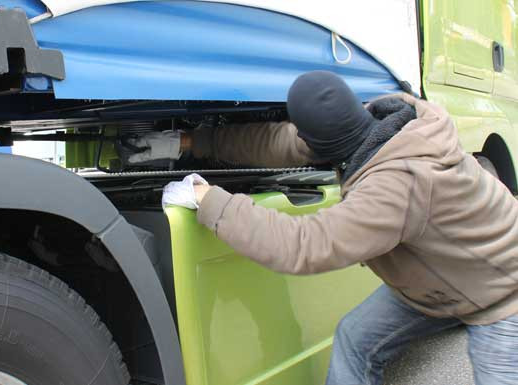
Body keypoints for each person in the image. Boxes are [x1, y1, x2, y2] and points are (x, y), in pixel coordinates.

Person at [131, 71, 518, 385]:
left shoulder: (399, 183)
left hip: (501, 294)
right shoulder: (374, 127)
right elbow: (276, 143)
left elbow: (304, 245)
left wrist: (209, 199)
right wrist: (188, 141)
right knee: (354, 340)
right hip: (438, 284)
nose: (298, 138)